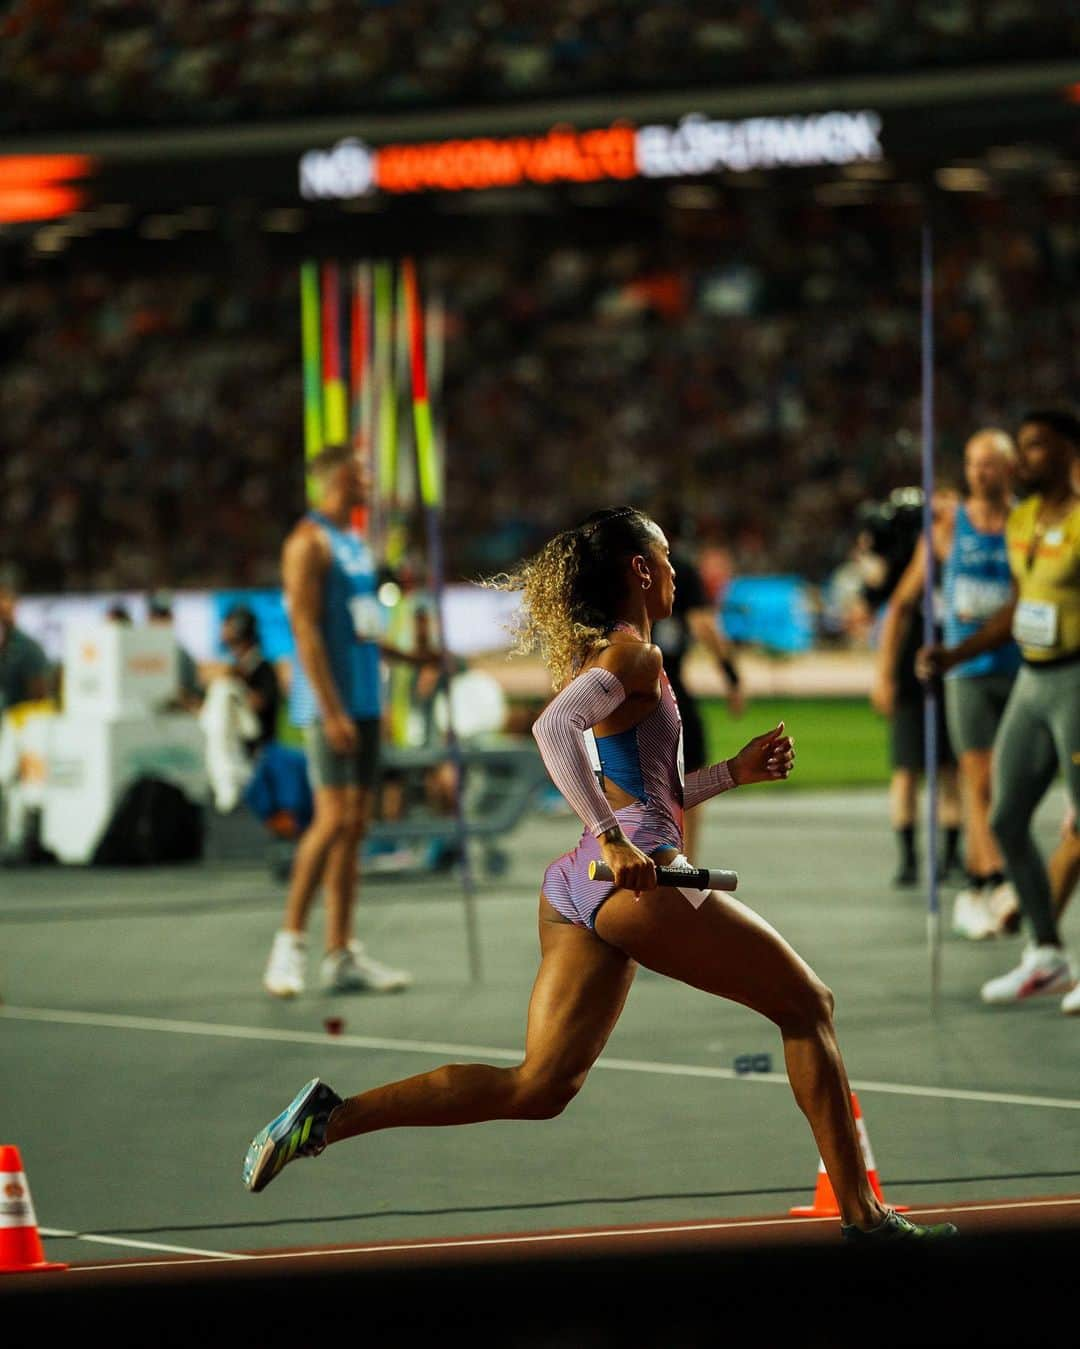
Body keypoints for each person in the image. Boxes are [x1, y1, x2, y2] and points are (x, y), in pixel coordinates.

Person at [242, 505, 957, 1244]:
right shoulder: (631, 656)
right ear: (641, 571)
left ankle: (329, 1116)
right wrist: (615, 839)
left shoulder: (610, 657)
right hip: (633, 877)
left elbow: (654, 795)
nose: (679, 574)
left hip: (578, 884)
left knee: (539, 1084)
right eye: (669, 560)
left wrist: (732, 774)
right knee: (809, 1005)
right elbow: (552, 731)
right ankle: (866, 1220)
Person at [918, 410, 1080, 1012]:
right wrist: (954, 652)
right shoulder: (1024, 522)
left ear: (1070, 453)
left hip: (1076, 677)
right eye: (1025, 446)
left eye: (1038, 446)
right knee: (1007, 817)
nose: (1025, 458)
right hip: (1034, 681)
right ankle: (1047, 953)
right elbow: (1018, 606)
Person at [261, 443, 433, 999]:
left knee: (355, 826)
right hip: (330, 704)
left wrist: (412, 659)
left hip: (363, 703)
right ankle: (289, 946)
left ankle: (341, 952)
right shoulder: (307, 543)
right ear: (335, 479)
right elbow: (305, 631)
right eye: (361, 475)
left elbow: (362, 628)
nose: (369, 484)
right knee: (332, 821)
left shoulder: (354, 545)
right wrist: (331, 710)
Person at [873, 430, 1021, 939]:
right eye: (973, 463)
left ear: (1010, 469)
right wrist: (886, 672)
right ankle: (991, 881)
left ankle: (986, 882)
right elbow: (901, 603)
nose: (981, 472)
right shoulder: (945, 528)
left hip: (1021, 666)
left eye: (991, 464)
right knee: (978, 780)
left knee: (1008, 784)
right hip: (966, 673)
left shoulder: (1024, 522)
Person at [863, 489, 963, 887]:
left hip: (954, 663)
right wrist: (884, 675)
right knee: (908, 766)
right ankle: (909, 859)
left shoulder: (963, 552)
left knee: (950, 769)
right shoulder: (914, 560)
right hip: (911, 668)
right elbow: (894, 608)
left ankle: (952, 856)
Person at [650, 533, 744, 863]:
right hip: (668, 690)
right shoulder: (681, 570)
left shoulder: (615, 568)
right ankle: (681, 869)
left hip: (617, 693)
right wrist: (731, 676)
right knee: (688, 783)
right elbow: (705, 626)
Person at [221, 605, 280, 759]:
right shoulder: (238, 667)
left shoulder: (262, 668)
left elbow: (260, 702)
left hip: (259, 752)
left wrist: (238, 683)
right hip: (236, 751)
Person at [0, 572, 50, 715]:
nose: (2, 605)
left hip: (16, 729)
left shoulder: (28, 649)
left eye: (5, 598)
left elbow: (40, 701)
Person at [148, 591, 204, 712]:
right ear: (150, 618)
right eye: (158, 616)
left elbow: (195, 696)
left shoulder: (181, 654)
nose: (162, 621)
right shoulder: (140, 651)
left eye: (165, 615)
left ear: (172, 617)